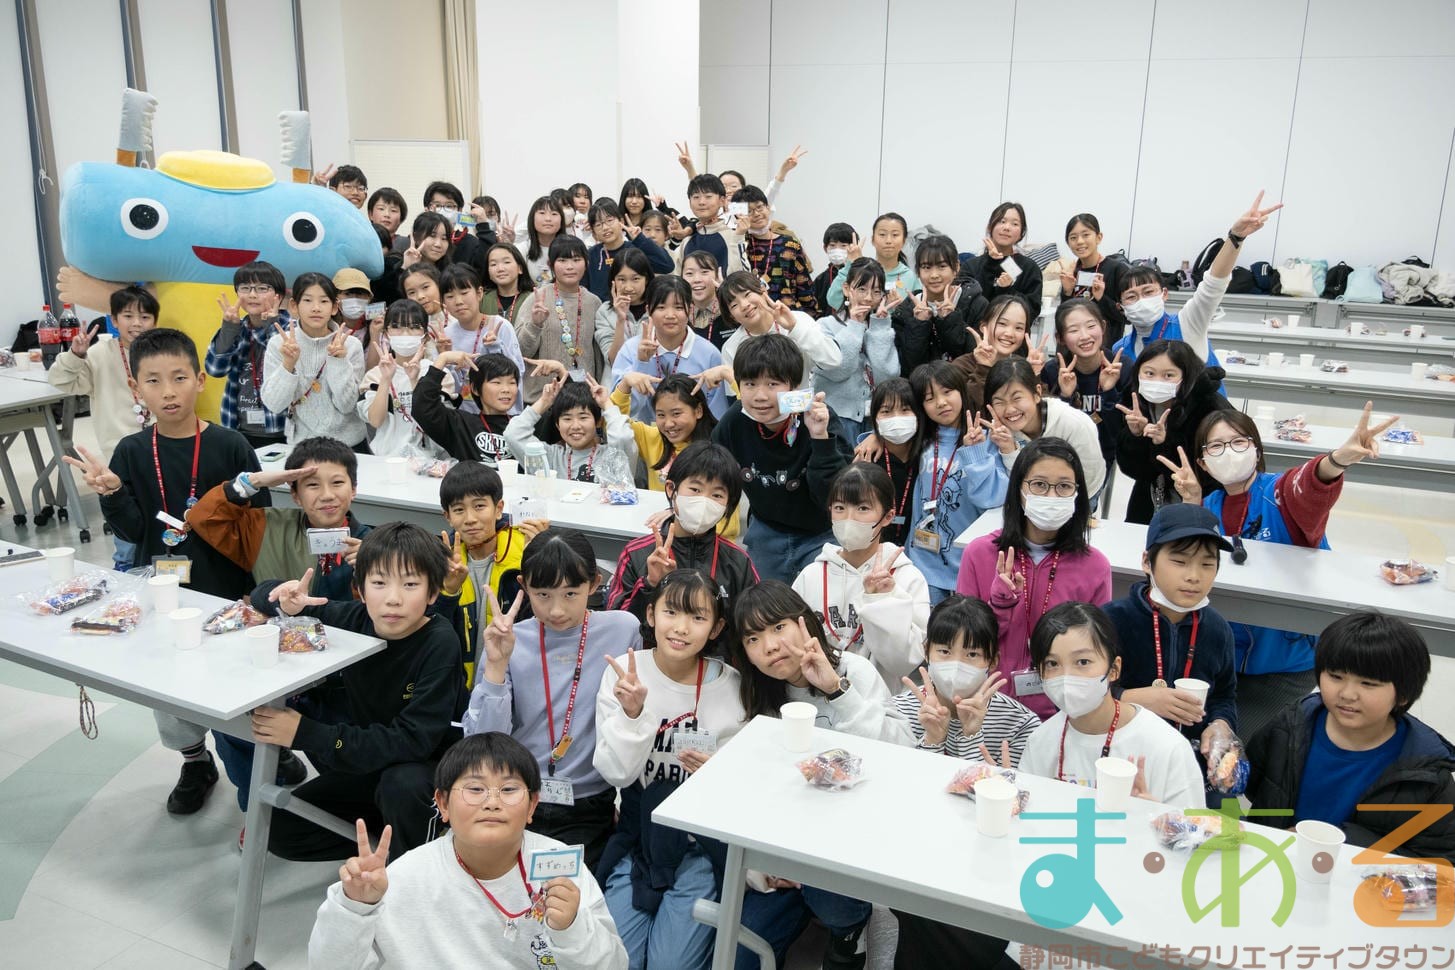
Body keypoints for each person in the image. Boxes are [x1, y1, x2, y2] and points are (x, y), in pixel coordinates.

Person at [65, 327, 271, 817]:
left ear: (200, 380)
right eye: (153, 381)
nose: (168, 391)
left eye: (179, 377)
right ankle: (195, 761)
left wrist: (258, 590)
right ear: (135, 388)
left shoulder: (230, 445)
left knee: (238, 678)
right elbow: (134, 531)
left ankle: (260, 753)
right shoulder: (132, 452)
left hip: (228, 588)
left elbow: (258, 524)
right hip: (165, 590)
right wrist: (113, 492)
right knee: (170, 679)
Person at [1165, 404, 1400, 738]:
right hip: (1221, 662)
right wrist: (1191, 504)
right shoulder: (1209, 505)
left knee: (1230, 743)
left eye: (1238, 442)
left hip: (1283, 666)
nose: (1228, 452)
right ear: (1203, 463)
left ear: (1257, 449)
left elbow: (1310, 484)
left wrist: (1337, 460)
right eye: (1216, 446)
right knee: (1182, 735)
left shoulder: (1280, 494)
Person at [306, 732, 629, 969]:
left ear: (532, 805)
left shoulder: (559, 866)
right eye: (475, 788)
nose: (492, 802)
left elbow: (614, 964)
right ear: (443, 803)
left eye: (509, 789)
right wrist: (354, 908)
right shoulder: (403, 878)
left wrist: (571, 927)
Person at [248, 523, 464, 859]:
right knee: (278, 830)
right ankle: (386, 841)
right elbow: (268, 598)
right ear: (360, 590)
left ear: (433, 593)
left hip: (426, 767)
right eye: (379, 583)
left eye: (410, 584)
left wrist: (306, 733)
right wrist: (285, 598)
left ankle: (413, 860)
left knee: (402, 786)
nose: (393, 598)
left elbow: (414, 741)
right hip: (372, 762)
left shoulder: (440, 641)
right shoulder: (353, 618)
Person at [726, 581, 912, 969]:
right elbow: (755, 789)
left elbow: (901, 754)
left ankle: (850, 930)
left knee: (834, 902)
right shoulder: (758, 694)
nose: (770, 646)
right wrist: (764, 864)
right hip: (787, 844)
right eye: (753, 639)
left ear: (804, 623)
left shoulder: (853, 671)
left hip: (852, 837)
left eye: (778, 627)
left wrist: (837, 690)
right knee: (740, 953)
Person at [191, 437, 371, 809]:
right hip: (276, 666)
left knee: (349, 772)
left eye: (337, 483)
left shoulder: (375, 544)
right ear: (294, 494)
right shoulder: (265, 526)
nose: (327, 495)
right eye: (312, 484)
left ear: (354, 489)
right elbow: (202, 519)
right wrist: (251, 483)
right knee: (233, 723)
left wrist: (374, 568)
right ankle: (256, 806)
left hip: (346, 680)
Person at [463, 529, 643, 872]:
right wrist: (497, 665)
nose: (557, 609)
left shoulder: (622, 630)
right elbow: (484, 744)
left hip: (588, 801)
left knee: (566, 892)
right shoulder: (508, 639)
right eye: (542, 594)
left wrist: (635, 709)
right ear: (523, 585)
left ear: (595, 583)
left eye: (571, 593)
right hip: (514, 796)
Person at [595, 571, 746, 970]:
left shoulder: (732, 686)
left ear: (716, 628)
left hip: (699, 844)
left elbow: (743, 787)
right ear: (650, 614)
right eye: (671, 612)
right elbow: (615, 773)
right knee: (618, 961)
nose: (681, 628)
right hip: (639, 838)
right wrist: (632, 714)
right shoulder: (625, 674)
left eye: (697, 617)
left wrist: (716, 777)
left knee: (671, 964)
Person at [1245, 612, 1455, 864]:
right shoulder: (1290, 726)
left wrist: (1343, 844)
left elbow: (1441, 861)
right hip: (1273, 864)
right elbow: (1255, 786)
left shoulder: (1425, 773)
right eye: (1335, 676)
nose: (1347, 694)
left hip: (1361, 882)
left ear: (1403, 695)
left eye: (1368, 683)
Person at [956, 438, 1111, 720]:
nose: (1051, 495)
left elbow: (1096, 649)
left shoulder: (1094, 566)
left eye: (1064, 486)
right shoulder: (979, 554)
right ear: (1018, 489)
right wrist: (999, 606)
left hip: (1062, 711)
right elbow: (964, 643)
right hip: (987, 706)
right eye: (1039, 485)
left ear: (1078, 493)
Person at [1018, 602, 1205, 807]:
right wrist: (1013, 800)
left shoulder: (1167, 747)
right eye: (1052, 664)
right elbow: (1027, 821)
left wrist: (1152, 816)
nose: (1067, 677)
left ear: (1114, 669)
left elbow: (1192, 826)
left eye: (1083, 662)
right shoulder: (1040, 741)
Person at [1102, 504, 1239, 772]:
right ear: (1147, 561)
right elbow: (1081, 692)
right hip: (1115, 759)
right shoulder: (1110, 621)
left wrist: (1221, 724)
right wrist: (1129, 697)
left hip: (1185, 764)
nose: (1193, 576)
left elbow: (1224, 696)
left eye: (1207, 564)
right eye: (1179, 562)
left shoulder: (1218, 629)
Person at [711, 334, 851, 582]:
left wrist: (820, 438)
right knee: (762, 600)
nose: (760, 396)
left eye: (773, 384)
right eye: (750, 384)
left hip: (821, 533)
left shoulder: (820, 418)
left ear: (794, 386)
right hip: (766, 529)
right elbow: (709, 469)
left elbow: (835, 495)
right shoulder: (734, 421)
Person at [790, 462, 929, 691]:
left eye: (863, 508)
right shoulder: (811, 575)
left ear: (888, 516)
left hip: (880, 701)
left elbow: (903, 663)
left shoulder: (907, 577)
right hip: (817, 697)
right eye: (839, 508)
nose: (849, 518)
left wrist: (882, 600)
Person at [48, 285, 158, 569]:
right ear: (114, 319)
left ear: (155, 321)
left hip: (161, 450)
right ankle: (126, 573)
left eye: (145, 317)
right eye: (128, 316)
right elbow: (62, 381)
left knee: (163, 519)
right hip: (118, 456)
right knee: (126, 529)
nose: (137, 323)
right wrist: (76, 355)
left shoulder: (162, 351)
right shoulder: (98, 354)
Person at [1111, 192, 1283, 366]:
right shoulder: (1120, 349)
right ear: (1121, 307)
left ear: (1164, 294)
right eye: (1131, 296)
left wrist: (1236, 237)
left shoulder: (1187, 323)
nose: (1142, 301)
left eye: (1148, 292)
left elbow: (1213, 284)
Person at [608, 441, 757, 622]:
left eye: (717, 495)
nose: (704, 501)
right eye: (695, 489)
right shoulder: (637, 553)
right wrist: (650, 585)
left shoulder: (738, 562)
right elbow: (618, 624)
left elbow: (754, 623)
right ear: (671, 489)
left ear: (728, 504)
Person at [902, 361, 1009, 603]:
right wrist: (874, 438)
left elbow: (992, 498)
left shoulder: (987, 439)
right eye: (930, 398)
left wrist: (976, 453)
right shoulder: (921, 439)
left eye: (947, 391)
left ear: (961, 391)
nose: (941, 402)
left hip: (970, 561)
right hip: (923, 560)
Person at [436, 461, 548, 689]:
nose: (470, 518)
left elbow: (544, 616)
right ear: (447, 516)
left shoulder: (523, 550)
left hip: (514, 678)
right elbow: (433, 629)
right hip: (458, 684)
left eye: (479, 506)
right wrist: (449, 591)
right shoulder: (441, 561)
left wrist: (540, 559)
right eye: (459, 510)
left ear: (498, 509)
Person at [890, 594, 1040, 760]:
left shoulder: (1020, 724)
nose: (956, 665)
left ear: (992, 661)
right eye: (945, 652)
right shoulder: (898, 712)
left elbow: (1000, 778)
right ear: (926, 652)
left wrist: (971, 735)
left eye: (972, 654)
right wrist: (932, 740)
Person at [1112, 339, 1233, 524]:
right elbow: (1134, 470)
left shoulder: (1209, 407)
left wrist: (1165, 444)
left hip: (1202, 502)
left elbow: (1217, 472)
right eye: (1149, 373)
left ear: (1186, 376)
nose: (1157, 381)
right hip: (1150, 501)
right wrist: (1136, 436)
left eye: (1168, 375)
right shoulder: (1135, 401)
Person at [261, 273, 368, 448]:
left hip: (349, 445)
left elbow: (347, 405)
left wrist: (339, 361)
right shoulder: (280, 344)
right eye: (308, 300)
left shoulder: (350, 345)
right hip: (303, 447)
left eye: (324, 301)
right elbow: (274, 404)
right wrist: (288, 365)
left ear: (335, 307)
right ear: (294, 306)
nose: (316, 308)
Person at [984, 356, 1106, 500]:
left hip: (1080, 495)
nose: (1010, 409)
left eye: (1017, 398)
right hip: (1030, 499)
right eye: (999, 402)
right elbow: (1011, 485)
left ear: (1037, 393)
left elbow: (1088, 477)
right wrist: (1008, 449)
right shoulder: (1000, 432)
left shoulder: (1074, 424)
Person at [612, 275, 731, 422]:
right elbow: (622, 411)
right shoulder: (630, 349)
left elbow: (718, 414)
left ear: (690, 309)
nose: (670, 315)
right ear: (648, 310)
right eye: (661, 307)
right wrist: (641, 362)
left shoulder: (709, 353)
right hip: (643, 434)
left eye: (678, 307)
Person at [814, 257, 901, 445]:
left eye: (876, 291)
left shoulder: (879, 327)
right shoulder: (825, 326)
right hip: (836, 419)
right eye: (862, 289)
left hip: (873, 420)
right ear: (847, 289)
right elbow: (838, 370)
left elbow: (887, 378)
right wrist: (854, 325)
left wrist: (880, 326)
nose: (868, 297)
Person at [204, 260, 289, 446]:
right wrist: (229, 329)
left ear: (279, 295)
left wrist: (271, 325)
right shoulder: (237, 327)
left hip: (283, 428)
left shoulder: (291, 328)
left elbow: (286, 363)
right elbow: (215, 369)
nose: (252, 295)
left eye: (262, 288)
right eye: (245, 288)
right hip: (240, 428)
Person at [1040, 298, 1124, 488]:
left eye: (1091, 326)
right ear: (1060, 338)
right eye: (1073, 330)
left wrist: (1109, 391)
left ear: (1103, 327)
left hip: (1102, 457)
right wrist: (1065, 397)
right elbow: (1049, 432)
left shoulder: (1121, 367)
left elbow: (1118, 434)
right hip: (1059, 458)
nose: (1084, 336)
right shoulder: (1053, 371)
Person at [357, 299, 450, 460]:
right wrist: (386, 379)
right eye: (396, 327)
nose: (405, 334)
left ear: (425, 336)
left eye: (414, 327)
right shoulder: (375, 375)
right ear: (386, 333)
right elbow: (375, 421)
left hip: (432, 460)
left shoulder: (438, 373)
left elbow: (439, 421)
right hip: (386, 460)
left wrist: (414, 381)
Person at [515, 236, 603, 396]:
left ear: (586, 263)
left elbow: (598, 356)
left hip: (583, 397)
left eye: (576, 260)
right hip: (541, 397)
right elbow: (520, 353)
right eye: (562, 260)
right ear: (551, 265)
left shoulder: (594, 302)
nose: (570, 266)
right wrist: (535, 325)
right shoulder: (537, 299)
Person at [504, 375, 635, 483]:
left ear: (597, 422)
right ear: (557, 425)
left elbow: (622, 436)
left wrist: (606, 403)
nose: (575, 426)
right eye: (567, 418)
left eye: (583, 417)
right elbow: (513, 434)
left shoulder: (614, 455)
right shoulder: (549, 458)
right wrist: (544, 402)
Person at [890, 234, 989, 375]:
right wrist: (919, 323)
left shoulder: (976, 304)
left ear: (956, 267)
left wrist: (950, 319)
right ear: (918, 271)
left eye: (942, 266)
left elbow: (972, 360)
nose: (934, 275)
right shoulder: (905, 311)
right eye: (926, 267)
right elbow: (908, 367)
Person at [717, 270, 843, 378]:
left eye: (747, 294)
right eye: (734, 305)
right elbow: (738, 394)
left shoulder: (798, 320)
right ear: (731, 316)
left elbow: (833, 360)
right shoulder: (731, 348)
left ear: (763, 291)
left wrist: (794, 327)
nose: (744, 305)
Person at [609, 372, 717, 493]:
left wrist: (728, 375)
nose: (668, 423)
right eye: (661, 415)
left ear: (698, 411)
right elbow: (614, 424)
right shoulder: (652, 438)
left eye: (676, 413)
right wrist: (625, 384)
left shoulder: (719, 442)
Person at [441, 263, 526, 401]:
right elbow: (449, 387)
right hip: (461, 411)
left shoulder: (499, 326)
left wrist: (496, 348)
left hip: (499, 409)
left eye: (464, 293)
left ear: (479, 293)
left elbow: (517, 372)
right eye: (450, 296)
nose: (458, 301)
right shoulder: (446, 336)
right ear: (443, 302)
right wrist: (444, 357)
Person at [733, 184, 817, 314]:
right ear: (739, 216)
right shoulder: (740, 244)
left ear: (768, 207)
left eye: (759, 207)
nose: (756, 214)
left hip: (789, 314)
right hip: (753, 315)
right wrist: (738, 237)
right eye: (749, 211)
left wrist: (811, 315)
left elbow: (804, 283)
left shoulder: (790, 243)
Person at [860, 377, 920, 548]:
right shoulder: (867, 458)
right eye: (886, 411)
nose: (896, 419)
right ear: (875, 418)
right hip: (875, 546)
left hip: (919, 548)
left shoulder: (929, 454)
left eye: (905, 410)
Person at [1056, 213, 1131, 347]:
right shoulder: (1071, 271)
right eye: (1073, 237)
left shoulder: (1117, 270)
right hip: (1074, 348)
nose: (1080, 241)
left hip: (1105, 349)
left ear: (1098, 237)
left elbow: (1127, 317)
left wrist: (1102, 298)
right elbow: (1064, 317)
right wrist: (1067, 292)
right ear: (1068, 243)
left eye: (1086, 235)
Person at [954, 202, 1042, 314]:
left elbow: (1032, 309)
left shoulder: (1029, 268)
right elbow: (964, 305)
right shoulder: (970, 265)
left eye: (1015, 224)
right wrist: (991, 263)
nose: (1007, 227)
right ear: (990, 227)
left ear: (1022, 232)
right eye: (1002, 221)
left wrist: (1007, 290)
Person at [585, 199, 675, 302]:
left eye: (609, 220)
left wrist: (640, 239)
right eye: (598, 224)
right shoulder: (590, 255)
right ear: (593, 232)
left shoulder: (636, 250)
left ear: (621, 221)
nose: (605, 227)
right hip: (601, 310)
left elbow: (667, 266)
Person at [825, 213, 918, 311]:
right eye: (882, 234)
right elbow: (833, 300)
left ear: (904, 240)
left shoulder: (911, 277)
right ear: (873, 239)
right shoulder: (863, 271)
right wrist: (851, 265)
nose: (888, 240)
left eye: (895, 235)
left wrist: (899, 310)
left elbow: (918, 314)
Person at [675, 173, 746, 278]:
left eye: (708, 196)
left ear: (722, 201)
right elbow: (678, 279)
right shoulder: (687, 240)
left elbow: (741, 276)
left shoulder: (733, 236)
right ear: (689, 202)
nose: (701, 202)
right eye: (696, 197)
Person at [594, 247, 654, 368]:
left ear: (646, 279)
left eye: (635, 279)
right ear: (613, 281)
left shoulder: (658, 309)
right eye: (621, 279)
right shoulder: (605, 311)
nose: (628, 287)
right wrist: (620, 320)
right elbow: (613, 360)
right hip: (616, 379)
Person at [681, 251, 735, 350]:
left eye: (704, 272)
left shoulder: (732, 309)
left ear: (717, 276)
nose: (697, 279)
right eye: (689, 273)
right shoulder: (680, 314)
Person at [480, 243, 535, 326]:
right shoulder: (481, 300)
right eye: (493, 264)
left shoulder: (532, 299)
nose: (500, 269)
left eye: (506, 262)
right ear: (488, 273)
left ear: (520, 268)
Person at [523, 195, 566, 286]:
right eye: (542, 213)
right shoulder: (523, 249)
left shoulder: (571, 249)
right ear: (532, 218)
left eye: (554, 214)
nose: (548, 219)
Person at [814, 223, 854, 318]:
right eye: (832, 245)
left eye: (843, 245)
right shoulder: (820, 279)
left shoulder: (861, 274)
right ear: (825, 248)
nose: (837, 250)